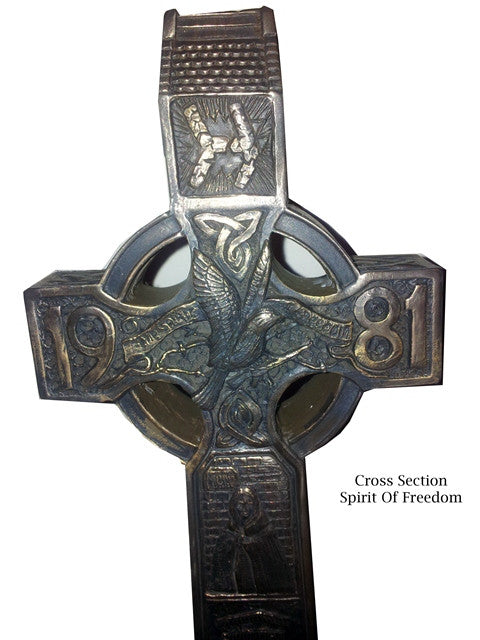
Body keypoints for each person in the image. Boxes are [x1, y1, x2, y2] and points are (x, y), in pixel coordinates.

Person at [212, 486, 293, 594]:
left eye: (249, 502)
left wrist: (251, 543)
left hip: (264, 589)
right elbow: (220, 566)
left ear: (255, 505)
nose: (245, 507)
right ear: (233, 506)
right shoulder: (229, 530)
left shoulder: (265, 529)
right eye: (240, 503)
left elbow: (274, 563)